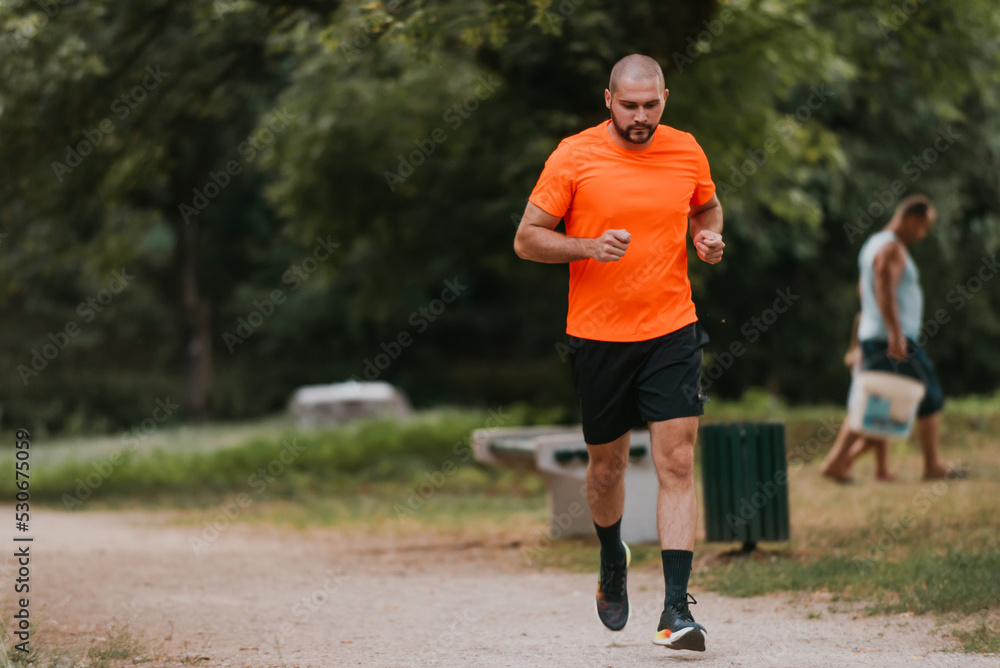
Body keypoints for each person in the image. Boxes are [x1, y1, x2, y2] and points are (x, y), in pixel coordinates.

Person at [513, 54, 724, 652]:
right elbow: (527, 238)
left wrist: (707, 237)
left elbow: (705, 206)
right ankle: (612, 556)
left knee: (677, 463)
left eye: (651, 105)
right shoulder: (573, 155)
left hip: (672, 330)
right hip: (598, 337)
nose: (640, 117)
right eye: (629, 106)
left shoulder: (686, 149)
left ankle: (677, 610)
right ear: (608, 99)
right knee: (605, 467)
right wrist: (586, 245)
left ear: (665, 98)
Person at [821, 195, 963, 481]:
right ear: (912, 219)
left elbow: (866, 292)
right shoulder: (891, 248)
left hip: (877, 334)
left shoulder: (872, 244)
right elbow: (884, 286)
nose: (922, 234)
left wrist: (871, 325)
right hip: (894, 337)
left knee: (873, 399)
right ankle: (933, 465)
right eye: (924, 227)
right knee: (930, 395)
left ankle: (836, 462)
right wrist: (896, 333)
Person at [821, 313, 895, 482]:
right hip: (866, 397)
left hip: (859, 397)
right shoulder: (867, 352)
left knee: (879, 437)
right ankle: (844, 460)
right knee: (875, 438)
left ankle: (880, 470)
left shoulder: (856, 352)